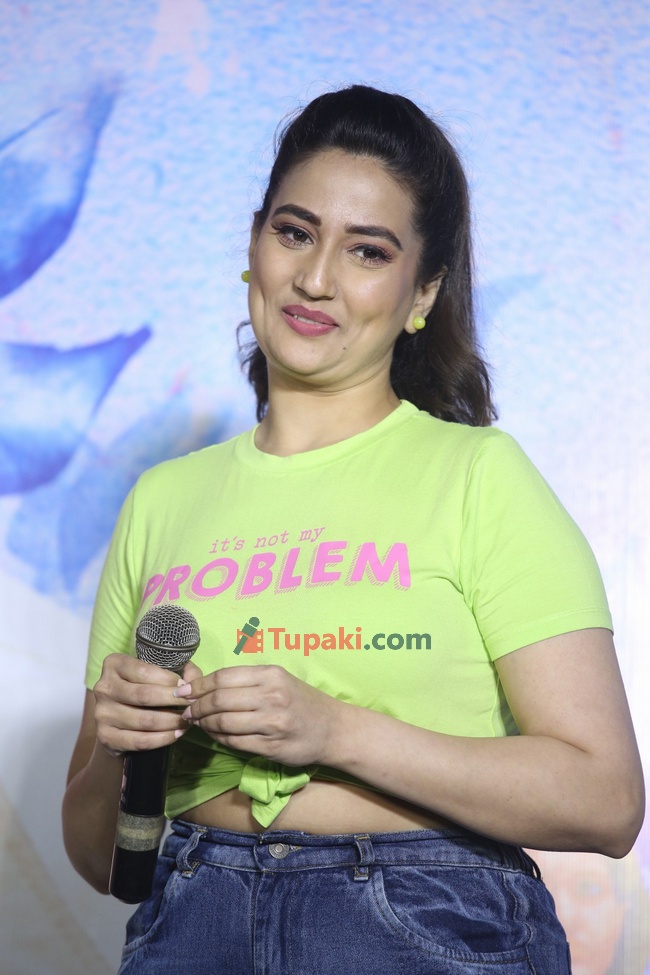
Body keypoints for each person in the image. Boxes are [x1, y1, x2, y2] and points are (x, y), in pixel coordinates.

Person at [62, 85, 645, 974]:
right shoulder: (161, 498)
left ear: (422, 292)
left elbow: (606, 800)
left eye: (368, 250)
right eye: (295, 232)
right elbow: (97, 858)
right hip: (190, 920)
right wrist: (121, 743)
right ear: (254, 246)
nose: (317, 278)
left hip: (420, 921)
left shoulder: (479, 475)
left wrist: (336, 732)